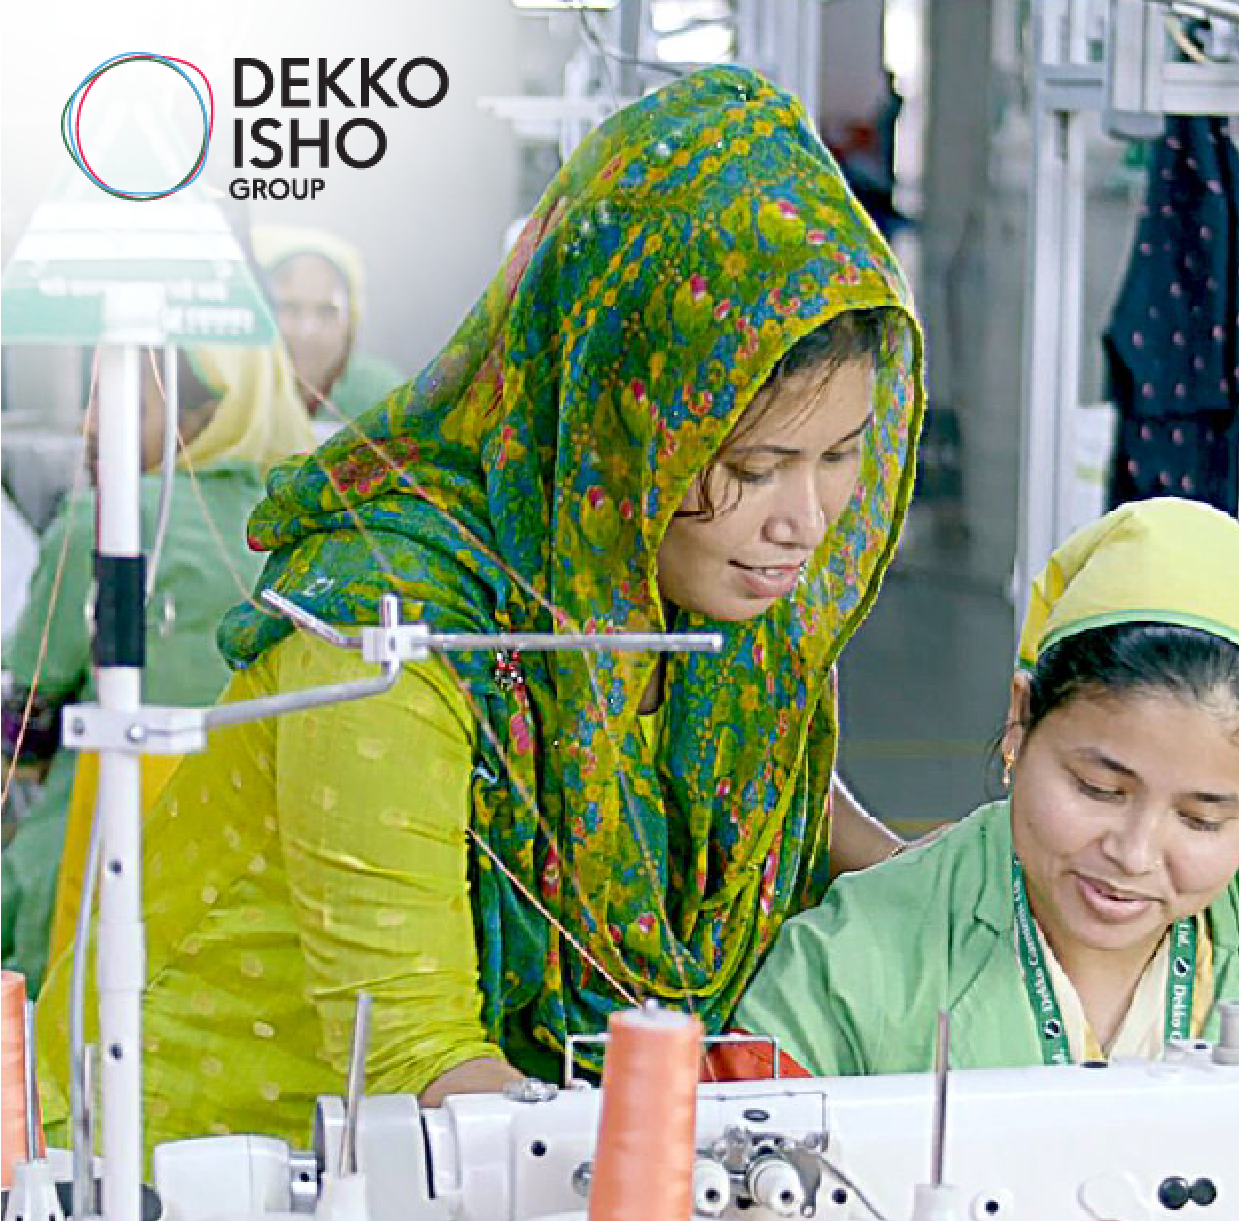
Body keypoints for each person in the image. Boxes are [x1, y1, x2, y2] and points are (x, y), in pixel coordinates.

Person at [36, 66, 924, 1151]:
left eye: (841, 457)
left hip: (489, 1172)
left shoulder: (717, 626)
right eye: (754, 464)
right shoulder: (390, 629)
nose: (809, 519)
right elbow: (424, 1063)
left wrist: (1026, 882)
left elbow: (829, 833)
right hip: (208, 1177)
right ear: (617, 420)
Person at [734, 497, 1239, 1221]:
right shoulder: (849, 965)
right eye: (1097, 788)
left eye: (1203, 820)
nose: (1134, 854)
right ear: (1019, 721)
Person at [2, 344, 315, 993]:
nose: (90, 425)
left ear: (201, 419)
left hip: (90, 869)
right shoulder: (295, 530)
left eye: (122, 404)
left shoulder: (110, 519)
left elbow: (26, 703)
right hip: (246, 886)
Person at [250, 224, 405, 425]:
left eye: (327, 312)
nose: (307, 331)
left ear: (351, 324)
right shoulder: (223, 393)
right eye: (290, 308)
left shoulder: (383, 398)